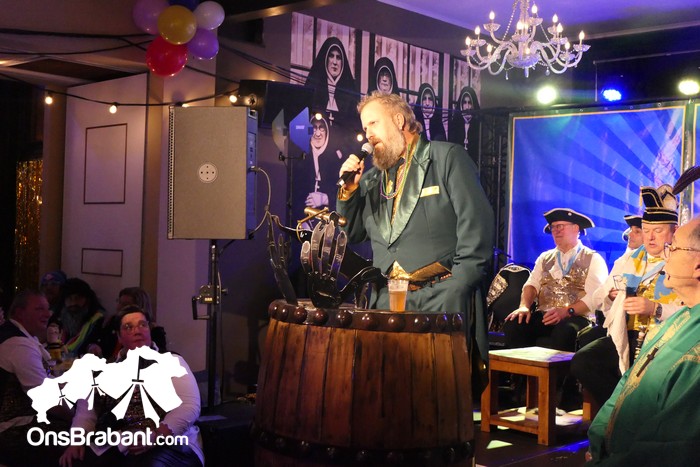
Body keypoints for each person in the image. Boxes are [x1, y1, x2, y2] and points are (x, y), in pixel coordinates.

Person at [336, 91, 493, 386]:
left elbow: (477, 224)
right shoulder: (371, 179)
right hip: (387, 298)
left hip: (440, 295)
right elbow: (353, 232)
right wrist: (349, 191)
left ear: (399, 120)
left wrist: (459, 285)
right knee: (387, 390)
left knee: (440, 390)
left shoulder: (446, 158)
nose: (368, 134)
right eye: (365, 127)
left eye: (373, 124)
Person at [586, 215, 700, 465]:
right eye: (645, 230)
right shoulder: (678, 320)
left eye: (673, 248)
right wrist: (600, 436)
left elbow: (673, 444)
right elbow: (630, 380)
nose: (666, 255)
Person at [572, 188, 683, 408]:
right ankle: (619, 411)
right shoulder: (630, 260)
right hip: (626, 334)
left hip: (666, 339)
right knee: (584, 361)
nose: (650, 237)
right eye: (646, 230)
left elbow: (693, 309)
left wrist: (655, 308)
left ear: (675, 230)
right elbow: (599, 296)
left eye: (658, 230)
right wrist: (611, 296)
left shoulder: (684, 261)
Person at [59, 305, 203, 467]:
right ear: (119, 337)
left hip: (170, 442)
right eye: (128, 327)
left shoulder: (172, 362)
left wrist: (155, 436)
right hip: (121, 441)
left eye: (142, 325)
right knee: (74, 461)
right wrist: (76, 441)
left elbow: (189, 407)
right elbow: (86, 412)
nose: (137, 331)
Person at [503, 208, 608, 352]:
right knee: (515, 324)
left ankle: (561, 368)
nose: (556, 231)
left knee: (565, 331)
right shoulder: (544, 257)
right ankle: (521, 367)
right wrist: (524, 306)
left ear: (576, 228)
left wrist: (567, 311)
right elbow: (532, 285)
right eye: (553, 227)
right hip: (545, 315)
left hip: (576, 317)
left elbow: (594, 297)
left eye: (560, 226)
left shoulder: (593, 259)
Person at [0, 290, 72, 467]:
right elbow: (47, 400)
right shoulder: (18, 344)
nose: (48, 314)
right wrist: (79, 419)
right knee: (88, 439)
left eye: (47, 309)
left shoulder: (18, 336)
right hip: (11, 431)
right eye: (39, 309)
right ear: (19, 313)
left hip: (20, 423)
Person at [304, 37, 359, 124]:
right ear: (325, 58)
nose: (335, 62)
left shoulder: (350, 95)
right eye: (331, 56)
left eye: (338, 57)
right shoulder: (313, 88)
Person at [55, 278, 106, 357]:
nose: (73, 303)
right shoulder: (57, 319)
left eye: (77, 298)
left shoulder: (98, 321)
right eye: (69, 298)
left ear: (87, 300)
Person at [448, 86, 480, 163]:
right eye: (464, 103)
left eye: (470, 103)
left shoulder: (479, 125)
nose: (467, 107)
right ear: (461, 105)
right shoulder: (454, 124)